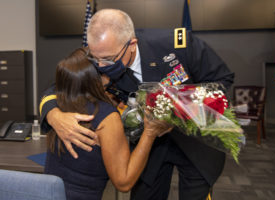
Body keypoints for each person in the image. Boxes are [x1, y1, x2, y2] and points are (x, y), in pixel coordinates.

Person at [39, 9, 235, 200]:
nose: (100, 67)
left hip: (196, 143)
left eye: (108, 60)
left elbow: (223, 81)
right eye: (95, 59)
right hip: (150, 147)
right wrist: (53, 114)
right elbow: (62, 85)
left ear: (132, 44)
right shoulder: (102, 52)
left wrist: (177, 110)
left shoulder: (177, 46)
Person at [44, 48, 172, 200]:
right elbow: (123, 183)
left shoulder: (60, 103)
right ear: (100, 77)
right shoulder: (106, 117)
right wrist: (150, 133)